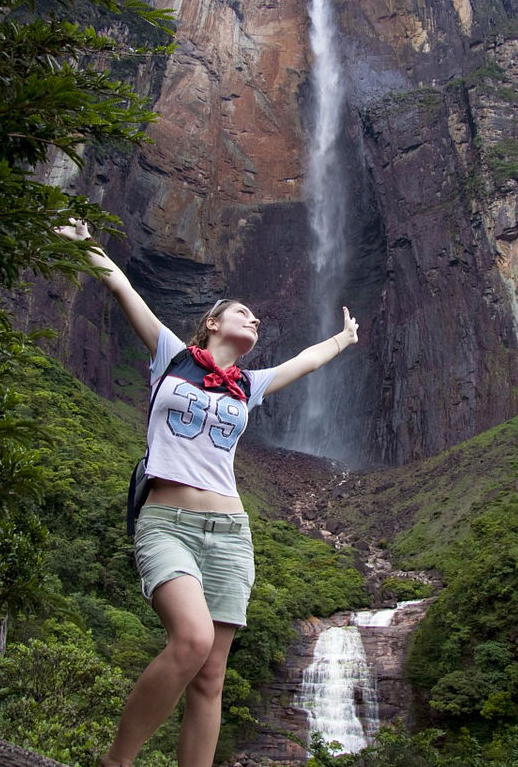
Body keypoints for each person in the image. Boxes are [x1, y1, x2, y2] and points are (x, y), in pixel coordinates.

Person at [55, 218, 359, 767]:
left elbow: (303, 362)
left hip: (230, 534)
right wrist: (87, 245)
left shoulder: (249, 384)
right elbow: (124, 288)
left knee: (211, 677)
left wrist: (343, 338)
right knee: (191, 642)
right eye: (243, 311)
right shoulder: (171, 357)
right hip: (166, 522)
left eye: (258, 318)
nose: (255, 319)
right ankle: (116, 762)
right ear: (212, 322)